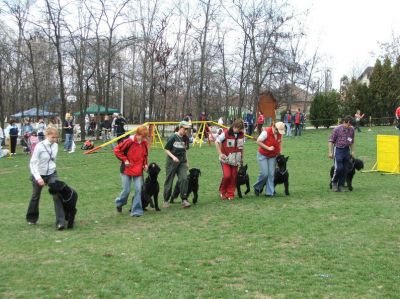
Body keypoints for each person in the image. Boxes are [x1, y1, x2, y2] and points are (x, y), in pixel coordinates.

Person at [26, 127, 66, 230]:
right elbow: (33, 163)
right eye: (53, 137)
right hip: (39, 174)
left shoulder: (56, 146)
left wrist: (53, 170)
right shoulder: (40, 146)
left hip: (52, 173)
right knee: (35, 196)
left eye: (56, 137)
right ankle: (31, 218)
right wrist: (38, 178)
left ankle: (60, 222)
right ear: (47, 135)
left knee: (57, 195)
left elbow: (53, 160)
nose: (54, 139)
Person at [114, 126, 149, 216]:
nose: (144, 138)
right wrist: (125, 160)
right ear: (138, 134)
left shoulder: (144, 143)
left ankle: (136, 211)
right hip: (127, 169)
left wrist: (145, 164)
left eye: (145, 136)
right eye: (142, 136)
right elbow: (117, 150)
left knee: (138, 189)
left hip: (138, 170)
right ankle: (119, 203)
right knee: (126, 190)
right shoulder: (129, 141)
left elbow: (145, 155)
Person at [163, 120, 192, 208]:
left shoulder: (185, 138)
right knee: (169, 181)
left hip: (182, 162)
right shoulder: (173, 137)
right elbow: (166, 149)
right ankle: (166, 200)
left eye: (187, 129)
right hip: (172, 162)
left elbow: (185, 151)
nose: (186, 131)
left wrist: (187, 162)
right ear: (180, 128)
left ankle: (184, 199)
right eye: (185, 129)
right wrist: (173, 157)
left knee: (184, 179)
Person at [215, 118, 245, 200]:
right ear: (234, 126)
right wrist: (220, 154)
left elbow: (241, 147)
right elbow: (217, 142)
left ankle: (230, 193)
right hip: (226, 159)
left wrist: (242, 157)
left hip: (236, 160)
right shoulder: (226, 133)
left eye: (239, 130)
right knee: (227, 176)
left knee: (234, 176)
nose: (237, 131)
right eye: (236, 129)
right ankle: (222, 191)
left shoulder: (242, 135)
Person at [253, 121, 285, 197]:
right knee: (265, 174)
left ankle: (269, 192)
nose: (279, 133)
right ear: (274, 127)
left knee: (271, 174)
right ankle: (257, 187)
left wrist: (279, 152)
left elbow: (280, 143)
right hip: (263, 155)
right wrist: (268, 148)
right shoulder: (266, 132)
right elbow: (258, 141)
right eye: (278, 131)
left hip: (273, 156)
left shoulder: (280, 134)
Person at [328, 116, 355, 192]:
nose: (350, 127)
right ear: (345, 122)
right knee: (338, 168)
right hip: (338, 150)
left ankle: (341, 185)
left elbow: (352, 141)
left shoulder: (352, 130)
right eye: (349, 125)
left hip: (346, 150)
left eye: (351, 125)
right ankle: (334, 183)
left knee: (345, 169)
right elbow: (331, 141)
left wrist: (352, 151)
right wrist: (330, 152)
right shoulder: (337, 129)